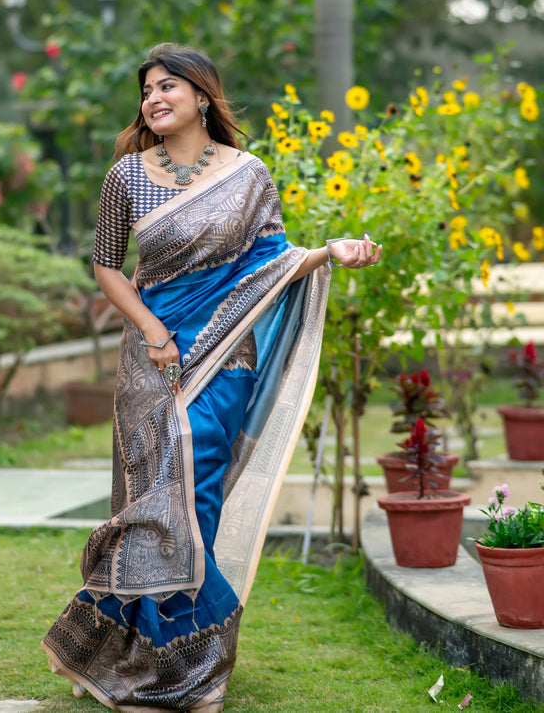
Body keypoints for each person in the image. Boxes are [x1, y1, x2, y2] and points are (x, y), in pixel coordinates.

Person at [42, 44, 382, 712]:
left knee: (194, 497)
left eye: (168, 85)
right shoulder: (127, 178)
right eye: (146, 90)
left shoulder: (249, 175)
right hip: (153, 356)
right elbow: (107, 266)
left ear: (203, 95)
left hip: (227, 350)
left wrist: (329, 251)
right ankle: (158, 654)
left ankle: (190, 670)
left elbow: (272, 261)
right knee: (150, 503)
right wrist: (152, 328)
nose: (153, 98)